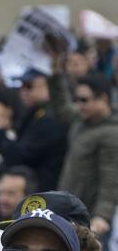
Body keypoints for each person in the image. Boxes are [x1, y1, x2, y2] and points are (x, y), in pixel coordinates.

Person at [51, 67, 118, 241]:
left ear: (103, 99)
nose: (78, 105)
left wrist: (102, 216)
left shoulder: (112, 133)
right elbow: (62, 107)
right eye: (77, 99)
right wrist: (56, 72)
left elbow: (111, 178)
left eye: (84, 100)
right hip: (68, 211)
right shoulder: (82, 120)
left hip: (89, 220)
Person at [0, 72, 69, 192]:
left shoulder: (50, 119)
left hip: (42, 193)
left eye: (29, 86)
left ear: (46, 87)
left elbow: (21, 157)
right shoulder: (34, 113)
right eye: (22, 87)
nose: (24, 92)